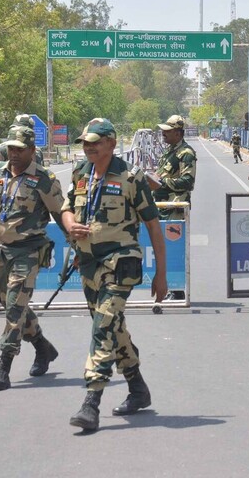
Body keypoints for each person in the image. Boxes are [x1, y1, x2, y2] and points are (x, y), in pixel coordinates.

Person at [61, 118, 168, 431]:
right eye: (85, 143)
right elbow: (67, 207)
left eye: (95, 142)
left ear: (111, 143)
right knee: (113, 327)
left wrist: (161, 275)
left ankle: (91, 402)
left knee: (103, 327)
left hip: (121, 263)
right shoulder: (80, 172)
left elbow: (153, 226)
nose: (89, 147)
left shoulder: (131, 177)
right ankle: (137, 388)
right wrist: (70, 224)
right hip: (89, 264)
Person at [0, 126, 64, 390]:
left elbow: (62, 215)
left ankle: (3, 366)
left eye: (20, 149)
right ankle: (42, 346)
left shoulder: (44, 179)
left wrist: (78, 247)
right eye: (11, 148)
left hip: (29, 251)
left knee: (15, 306)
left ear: (32, 150)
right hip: (1, 251)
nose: (14, 153)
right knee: (11, 304)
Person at [147, 114, 196, 221]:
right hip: (161, 206)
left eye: (167, 131)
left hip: (174, 209)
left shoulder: (186, 153)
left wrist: (161, 182)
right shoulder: (169, 151)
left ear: (177, 133)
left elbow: (188, 182)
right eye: (163, 130)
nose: (163, 133)